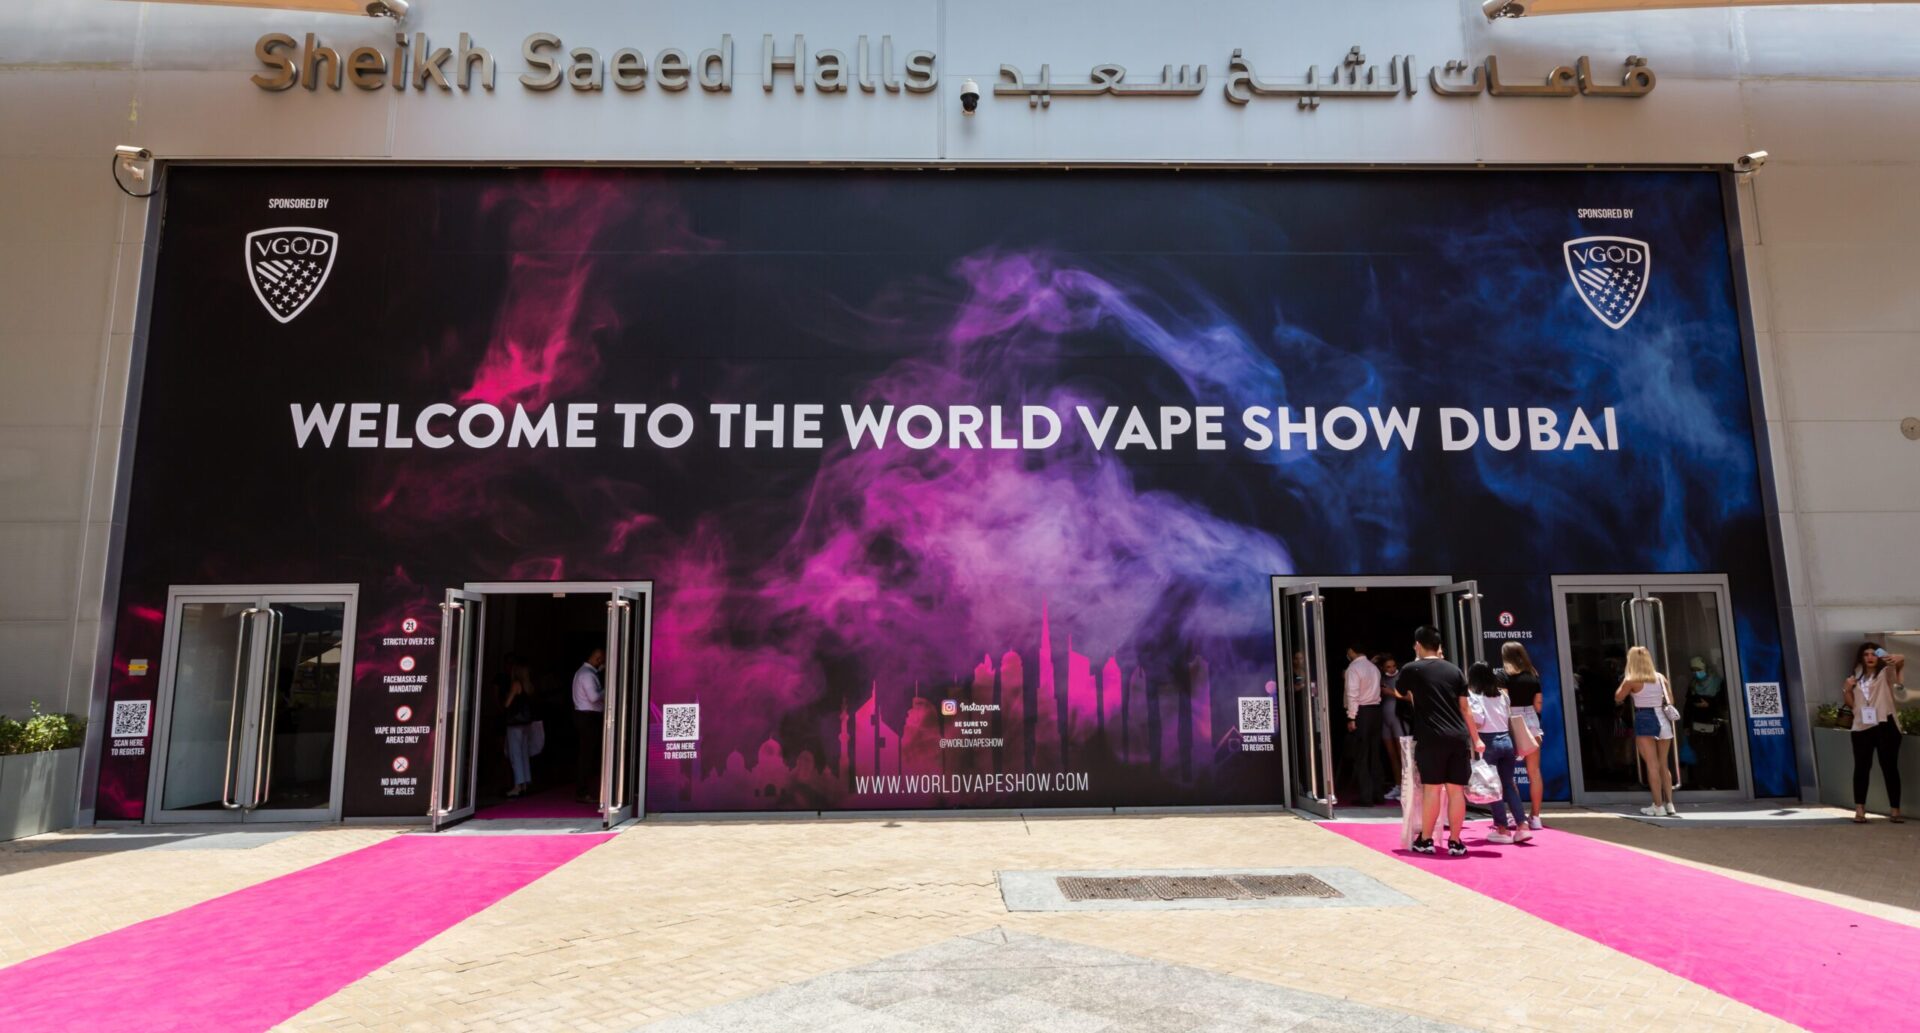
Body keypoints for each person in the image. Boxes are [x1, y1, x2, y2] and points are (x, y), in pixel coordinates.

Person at [1402, 625, 1475, 857]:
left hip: (1431, 736)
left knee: (1432, 789)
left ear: (1418, 645)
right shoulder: (1455, 671)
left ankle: (1426, 839)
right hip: (1458, 736)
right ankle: (1456, 841)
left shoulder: (1412, 669)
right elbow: (1465, 708)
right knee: (1456, 790)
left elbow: (1402, 692)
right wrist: (1476, 739)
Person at [1468, 661, 1532, 844]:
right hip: (1507, 740)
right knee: (1508, 785)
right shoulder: (1502, 695)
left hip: (1488, 742)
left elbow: (1478, 721)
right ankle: (1522, 825)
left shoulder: (1474, 696)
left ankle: (1502, 829)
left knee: (1492, 787)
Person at [1844, 642, 1907, 824]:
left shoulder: (1885, 672)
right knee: (1861, 768)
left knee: (1890, 768)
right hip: (1861, 727)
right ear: (1861, 657)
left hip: (1885, 724)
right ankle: (1860, 810)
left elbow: (1900, 662)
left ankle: (1895, 811)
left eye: (1873, 654)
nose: (1870, 657)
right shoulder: (1855, 675)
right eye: (1866, 654)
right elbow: (1851, 704)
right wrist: (1847, 688)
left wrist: (1896, 657)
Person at [1612, 646, 1677, 817]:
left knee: (1652, 765)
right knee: (1663, 764)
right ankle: (1670, 804)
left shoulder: (1631, 679)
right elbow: (1670, 700)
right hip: (1663, 719)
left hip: (1645, 718)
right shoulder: (1660, 677)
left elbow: (1618, 697)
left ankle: (1658, 806)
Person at [1500, 642, 1546, 830]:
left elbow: (1503, 703)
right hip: (1532, 720)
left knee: (1508, 773)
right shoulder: (1533, 675)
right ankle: (1535, 817)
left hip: (1512, 721)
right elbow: (1538, 704)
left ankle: (1516, 815)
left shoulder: (1503, 676)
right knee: (1534, 771)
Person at [1343, 645, 1384, 806]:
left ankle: (1366, 797)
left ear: (1351, 650)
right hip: (1376, 711)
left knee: (1362, 755)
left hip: (1362, 713)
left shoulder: (1353, 668)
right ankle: (1378, 794)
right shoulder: (1374, 668)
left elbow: (1352, 694)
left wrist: (1351, 717)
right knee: (1375, 754)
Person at [572, 646, 606, 804]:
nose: (602, 663)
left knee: (586, 754)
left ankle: (583, 789)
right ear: (597, 658)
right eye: (602, 660)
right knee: (586, 755)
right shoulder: (587, 675)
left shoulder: (583, 672)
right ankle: (582, 791)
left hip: (585, 716)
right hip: (588, 717)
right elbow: (593, 697)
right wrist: (608, 689)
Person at [501, 662, 537, 798]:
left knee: (515, 754)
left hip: (515, 724)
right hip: (526, 723)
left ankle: (517, 785)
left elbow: (507, 704)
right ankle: (525, 783)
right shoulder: (529, 685)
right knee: (523, 753)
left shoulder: (516, 684)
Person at [1376, 654, 1408, 802]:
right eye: (1388, 667)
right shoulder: (1380, 678)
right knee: (1392, 755)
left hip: (1399, 718)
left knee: (1403, 755)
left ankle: (1407, 788)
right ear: (1383, 668)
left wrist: (1391, 692)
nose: (1392, 669)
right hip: (1385, 719)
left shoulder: (1402, 677)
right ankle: (1398, 785)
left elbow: (1410, 697)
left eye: (1393, 666)